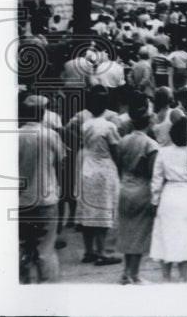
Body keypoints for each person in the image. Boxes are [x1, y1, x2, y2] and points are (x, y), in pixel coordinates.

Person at [149, 117, 187, 282]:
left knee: (166, 237)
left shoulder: (163, 152)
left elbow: (157, 179)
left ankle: (166, 278)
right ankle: (183, 278)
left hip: (169, 195)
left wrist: (155, 200)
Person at [18, 94, 65, 283]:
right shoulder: (50, 135)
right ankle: (47, 290)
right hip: (46, 199)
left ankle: (24, 284)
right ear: (41, 113)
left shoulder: (14, 136)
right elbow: (61, 164)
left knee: (23, 246)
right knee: (46, 249)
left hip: (21, 201)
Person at [74, 86, 123, 266]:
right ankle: (102, 251)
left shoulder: (84, 124)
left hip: (87, 167)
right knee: (103, 208)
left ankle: (89, 250)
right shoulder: (109, 125)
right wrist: (121, 168)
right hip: (104, 168)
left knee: (89, 210)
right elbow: (115, 150)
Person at [115, 101, 159, 284]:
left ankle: (126, 272)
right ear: (148, 122)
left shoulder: (122, 141)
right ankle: (134, 273)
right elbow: (152, 173)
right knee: (140, 233)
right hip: (142, 189)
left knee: (127, 231)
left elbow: (119, 165)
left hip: (124, 186)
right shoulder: (151, 145)